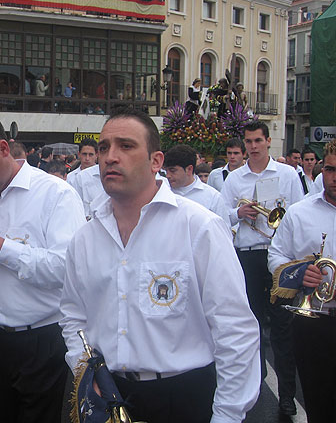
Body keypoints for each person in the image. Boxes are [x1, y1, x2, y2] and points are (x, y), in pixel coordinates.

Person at [60, 108, 261, 422]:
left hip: (182, 396)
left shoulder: (200, 227)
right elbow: (73, 315)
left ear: (156, 161)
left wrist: (228, 414)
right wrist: (85, 371)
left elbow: (235, 328)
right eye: (103, 148)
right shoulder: (85, 238)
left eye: (125, 146)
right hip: (109, 392)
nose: (110, 157)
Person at [0, 112, 85, 423]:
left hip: (40, 339)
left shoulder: (56, 194)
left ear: (3, 149)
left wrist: (4, 249)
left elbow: (69, 270)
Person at [221, 120, 304, 416]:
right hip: (247, 256)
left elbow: (298, 212)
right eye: (249, 142)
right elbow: (221, 218)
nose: (253, 147)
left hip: (279, 258)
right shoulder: (234, 179)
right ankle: (252, 391)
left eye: (258, 141)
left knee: (283, 328)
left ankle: (286, 395)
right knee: (250, 327)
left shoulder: (288, 174)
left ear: (269, 142)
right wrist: (237, 212)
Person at [268, 140, 336, 423]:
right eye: (331, 169)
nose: (335, 177)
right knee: (320, 402)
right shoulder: (300, 212)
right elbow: (276, 256)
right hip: (316, 323)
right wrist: (300, 274)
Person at [163, 144, 231, 228]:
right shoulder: (163, 193)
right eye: (166, 171)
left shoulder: (213, 197)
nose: (168, 175)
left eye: (173, 171)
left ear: (189, 169)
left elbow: (223, 231)